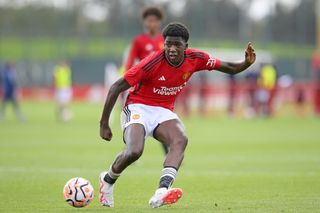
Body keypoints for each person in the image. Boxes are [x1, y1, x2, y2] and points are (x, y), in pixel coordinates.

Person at [99, 22, 256, 208]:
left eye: (177, 45)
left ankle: (161, 192)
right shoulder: (152, 62)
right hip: (138, 107)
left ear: (186, 47)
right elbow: (116, 87)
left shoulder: (196, 58)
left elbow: (229, 67)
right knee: (134, 151)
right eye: (168, 44)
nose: (172, 49)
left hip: (164, 111)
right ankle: (108, 180)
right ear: (163, 44)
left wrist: (246, 63)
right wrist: (104, 124)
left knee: (180, 140)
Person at [125, 6, 168, 154]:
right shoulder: (139, 41)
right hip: (143, 86)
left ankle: (169, 153)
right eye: (149, 21)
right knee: (139, 121)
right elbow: (130, 63)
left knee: (162, 119)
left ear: (159, 22)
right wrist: (126, 81)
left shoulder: (164, 40)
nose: (152, 24)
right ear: (145, 22)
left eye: (155, 21)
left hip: (162, 87)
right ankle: (131, 151)